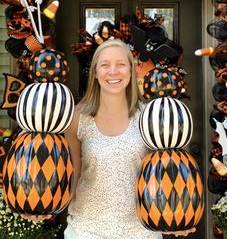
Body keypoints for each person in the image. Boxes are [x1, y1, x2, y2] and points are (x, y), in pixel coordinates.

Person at [21, 38, 195, 238]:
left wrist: (180, 215)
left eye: (121, 64)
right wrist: (39, 205)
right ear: (95, 72)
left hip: (141, 233)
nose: (113, 72)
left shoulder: (150, 117)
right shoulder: (77, 117)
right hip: (86, 231)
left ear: (131, 71)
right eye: (105, 65)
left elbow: (168, 173)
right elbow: (71, 177)